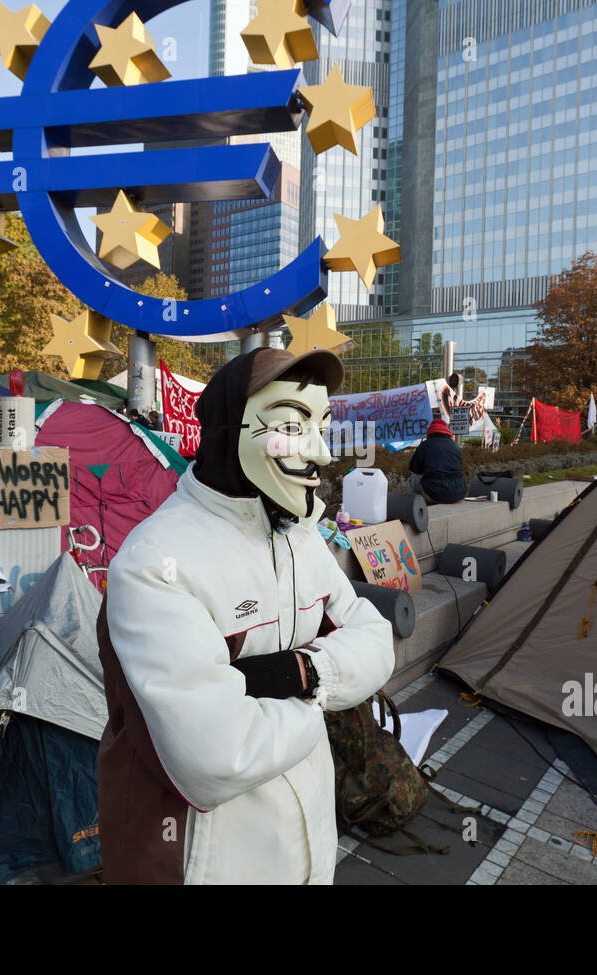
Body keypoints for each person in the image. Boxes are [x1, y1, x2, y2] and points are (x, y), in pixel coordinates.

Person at [96, 347, 394, 883]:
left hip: (308, 846)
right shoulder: (157, 563)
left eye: (321, 426)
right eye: (290, 425)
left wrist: (299, 674)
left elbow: (376, 638)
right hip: (206, 861)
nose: (322, 454)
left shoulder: (299, 539)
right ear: (229, 431)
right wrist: (327, 696)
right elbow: (216, 756)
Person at [407, 417, 468, 504]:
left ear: (430, 431)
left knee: (413, 478)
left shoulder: (425, 446)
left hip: (434, 494)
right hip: (458, 493)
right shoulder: (455, 446)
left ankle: (416, 507)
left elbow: (414, 469)